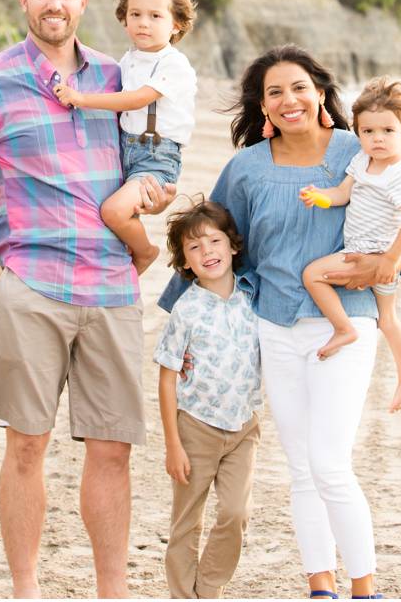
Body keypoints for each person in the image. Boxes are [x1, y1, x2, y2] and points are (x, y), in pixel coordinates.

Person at [158, 45, 401, 602]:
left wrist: (386, 263)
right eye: (274, 92)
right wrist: (189, 326)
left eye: (298, 87)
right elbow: (214, 242)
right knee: (301, 468)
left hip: (347, 321)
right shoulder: (245, 168)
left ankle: (365, 589)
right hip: (273, 326)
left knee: (330, 462)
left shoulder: (356, 150)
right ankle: (321, 585)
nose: (288, 99)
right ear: (262, 106)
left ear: (319, 93)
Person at [0, 0, 175, 599]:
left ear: (84, 0)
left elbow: (149, 169)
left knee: (113, 450)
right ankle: (25, 590)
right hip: (30, 287)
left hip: (111, 287)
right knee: (26, 448)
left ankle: (112, 592)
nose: (55, 4)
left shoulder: (115, 82)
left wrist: (154, 195)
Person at [55, 0, 199, 274]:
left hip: (156, 155)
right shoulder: (129, 59)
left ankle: (145, 251)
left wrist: (80, 98)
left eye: (155, 16)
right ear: (124, 19)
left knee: (113, 211)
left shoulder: (174, 63)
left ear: (176, 24)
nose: (143, 22)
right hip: (124, 150)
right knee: (99, 209)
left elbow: (135, 99)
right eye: (135, 14)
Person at [154, 198, 262, 599]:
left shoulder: (254, 298)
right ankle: (186, 594)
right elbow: (166, 379)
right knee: (186, 520)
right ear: (185, 262)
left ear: (233, 246)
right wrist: (173, 444)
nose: (207, 253)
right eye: (194, 248)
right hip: (195, 427)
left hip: (243, 427)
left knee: (236, 513)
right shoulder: (186, 310)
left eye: (214, 241)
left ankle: (209, 586)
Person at [298, 76, 401, 410]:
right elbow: (342, 194)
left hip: (375, 256)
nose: (377, 139)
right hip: (364, 253)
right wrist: (319, 197)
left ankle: (343, 329)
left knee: (312, 274)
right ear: (358, 133)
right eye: (368, 132)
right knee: (387, 320)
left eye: (388, 131)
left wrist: (389, 261)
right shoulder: (362, 162)